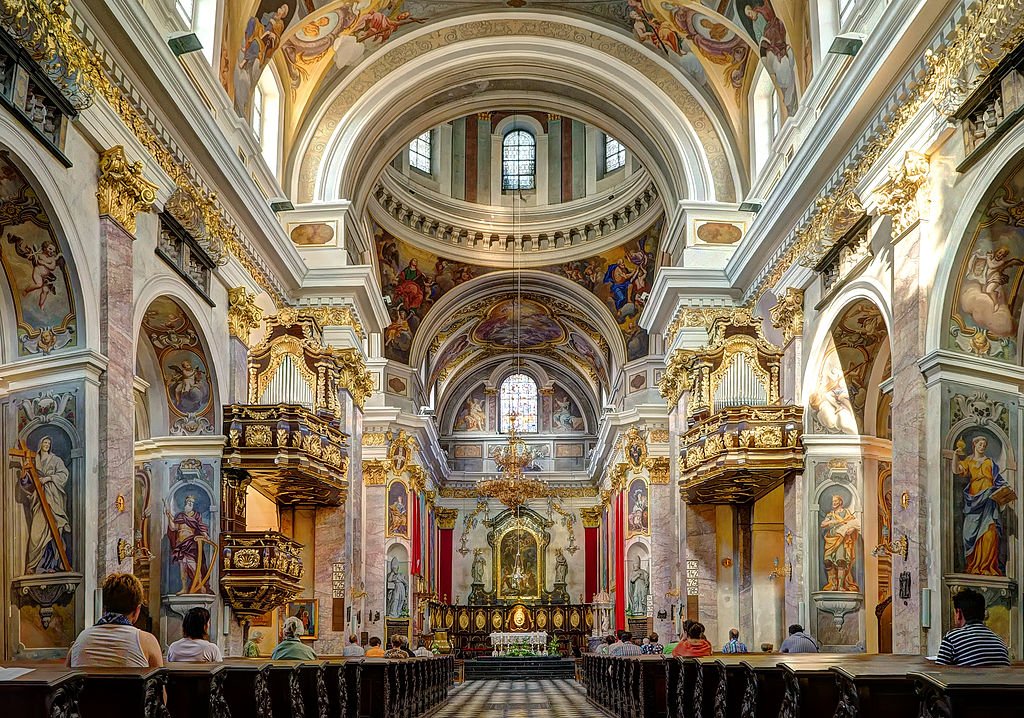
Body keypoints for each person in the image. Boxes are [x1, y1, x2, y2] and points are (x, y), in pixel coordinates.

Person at [68, 573, 163, 668]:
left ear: (104, 607)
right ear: (137, 610)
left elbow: (66, 676)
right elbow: (160, 679)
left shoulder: (80, 639)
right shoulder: (147, 641)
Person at [936, 588, 1009, 666]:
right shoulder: (1000, 642)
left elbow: (938, 674)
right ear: (983, 614)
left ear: (959, 613)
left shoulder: (952, 639)